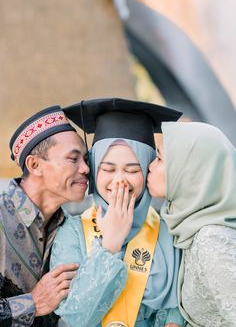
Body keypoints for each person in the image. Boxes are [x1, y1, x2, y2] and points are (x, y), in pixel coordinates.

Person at [50, 98, 185, 327]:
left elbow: (180, 305)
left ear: (148, 169)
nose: (120, 180)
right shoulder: (71, 232)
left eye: (132, 170)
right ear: (93, 170)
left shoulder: (170, 230)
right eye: (108, 169)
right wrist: (109, 245)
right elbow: (75, 316)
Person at [0, 105, 90, 326]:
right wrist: (32, 303)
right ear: (34, 165)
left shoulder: (72, 227)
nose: (86, 169)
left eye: (86, 160)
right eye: (73, 159)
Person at [147, 121, 236, 327]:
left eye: (159, 158)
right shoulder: (193, 227)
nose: (150, 166)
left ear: (189, 172)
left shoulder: (211, 241)